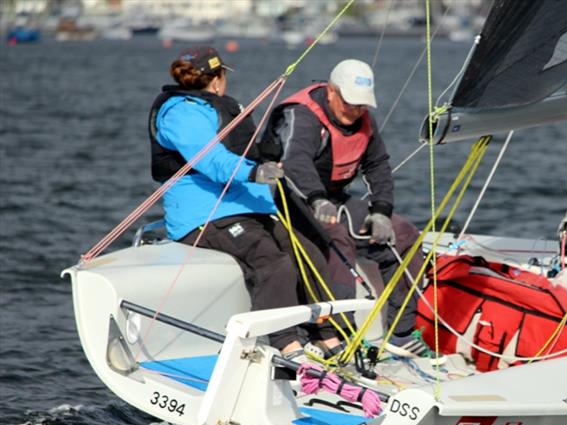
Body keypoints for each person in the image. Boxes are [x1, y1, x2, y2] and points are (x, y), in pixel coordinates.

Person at [149, 46, 342, 357]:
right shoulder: (181, 113)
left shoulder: (219, 106)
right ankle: (282, 343)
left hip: (246, 207)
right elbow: (211, 159)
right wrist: (255, 172)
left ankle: (327, 336)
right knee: (272, 261)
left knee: (308, 253)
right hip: (205, 215)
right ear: (216, 80)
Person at [262, 59, 425, 346]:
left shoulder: (363, 119)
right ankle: (341, 335)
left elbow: (378, 165)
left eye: (362, 105)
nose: (356, 110)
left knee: (405, 235)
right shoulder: (302, 115)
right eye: (350, 103)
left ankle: (402, 334)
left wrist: (381, 212)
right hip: (290, 200)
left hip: (334, 198)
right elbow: (295, 161)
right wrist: (317, 200)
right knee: (336, 238)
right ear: (332, 92)